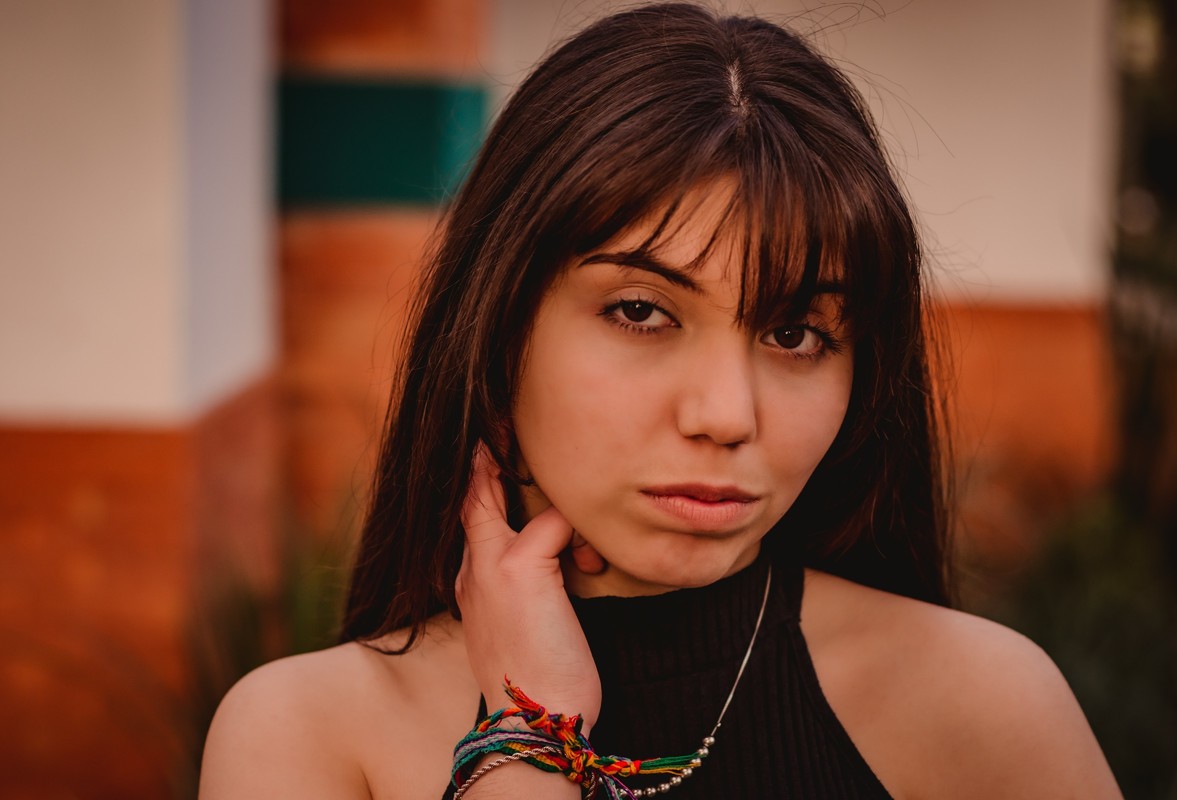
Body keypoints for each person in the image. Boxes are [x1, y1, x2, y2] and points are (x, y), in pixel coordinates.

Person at [199, 4, 1122, 798]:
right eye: (641, 311)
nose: (726, 415)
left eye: (796, 334)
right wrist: (529, 735)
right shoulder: (308, 738)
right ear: (497, 331)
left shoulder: (978, 707)